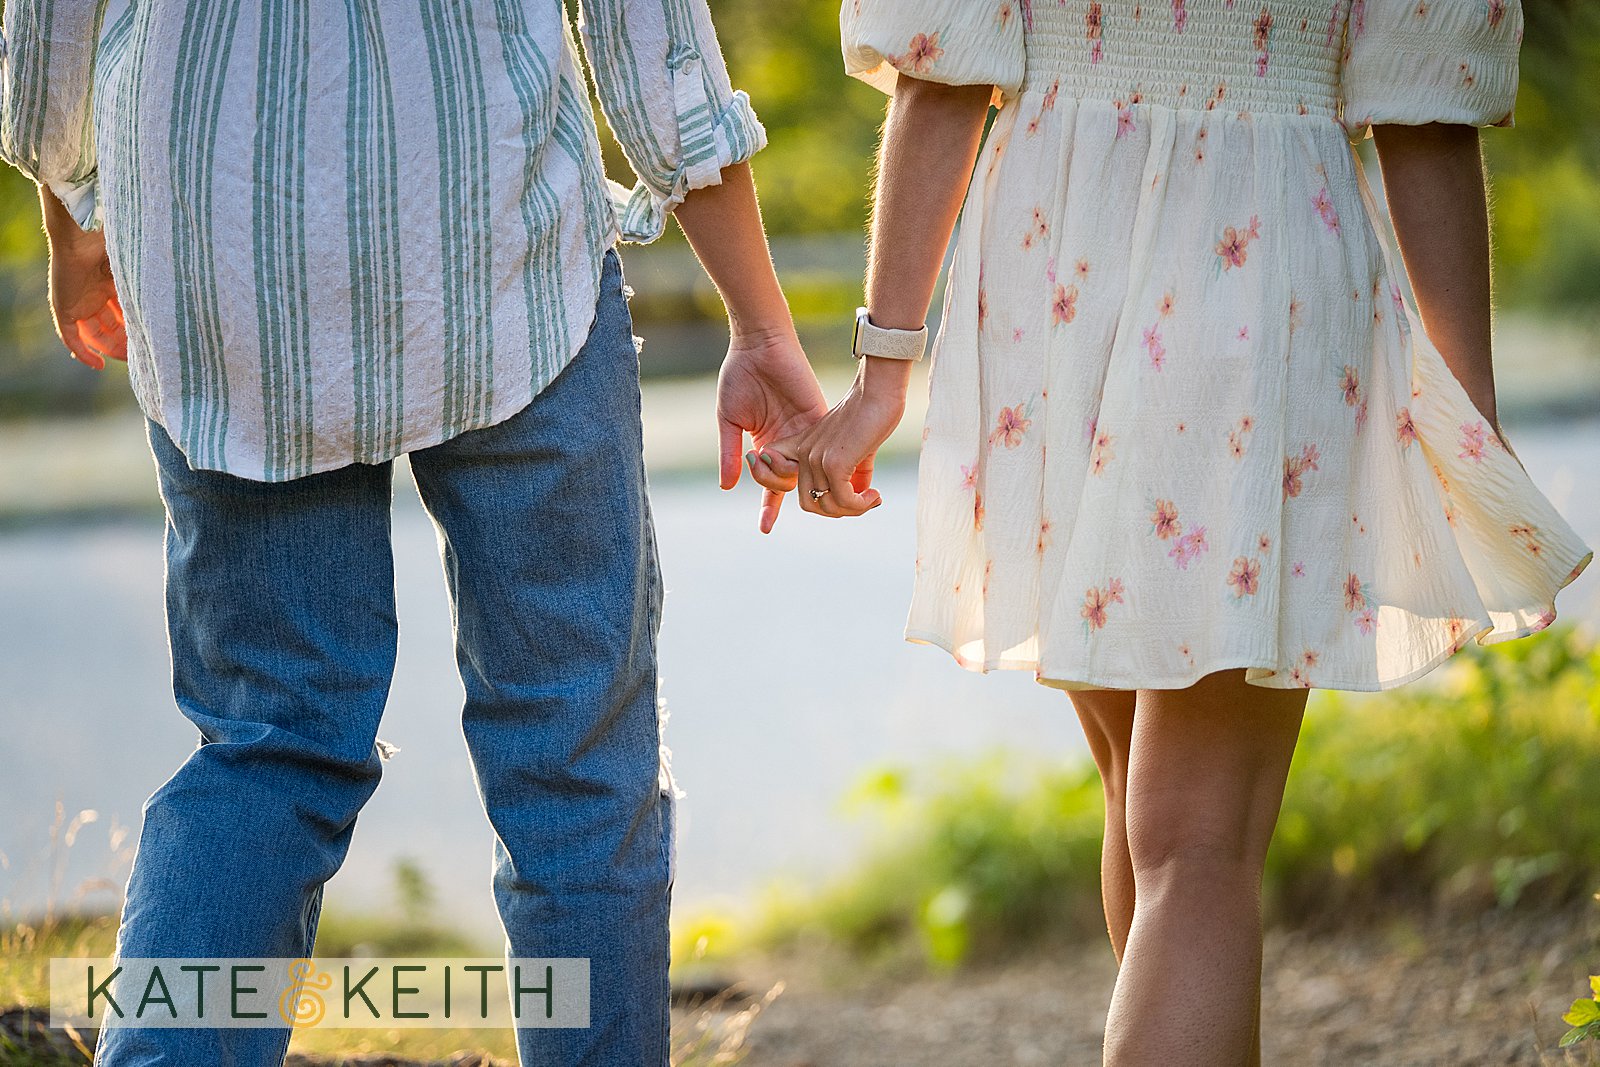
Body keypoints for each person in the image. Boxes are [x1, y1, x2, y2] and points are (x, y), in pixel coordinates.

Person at [753, 1, 1593, 1063]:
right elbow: (1425, 95)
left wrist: (884, 372)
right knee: (1195, 840)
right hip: (1259, 248)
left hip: (1052, 251)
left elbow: (941, 64)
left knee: (1145, 801)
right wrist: (1468, 406)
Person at [1, 0, 824, 1063]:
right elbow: (646, 27)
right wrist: (758, 320)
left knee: (267, 743)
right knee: (574, 755)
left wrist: (71, 208)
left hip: (217, 243)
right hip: (497, 229)